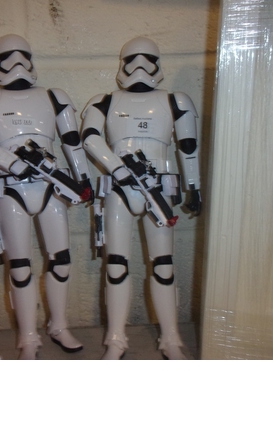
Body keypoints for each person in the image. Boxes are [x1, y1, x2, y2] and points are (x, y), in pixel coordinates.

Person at [0, 34, 92, 359]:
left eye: (22, 55)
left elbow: (72, 141)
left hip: (50, 187)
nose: (16, 62)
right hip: (11, 189)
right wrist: (13, 163)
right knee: (19, 266)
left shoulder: (53, 96)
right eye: (7, 56)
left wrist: (83, 179)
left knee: (61, 260)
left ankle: (59, 325)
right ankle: (28, 336)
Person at [81, 36, 201, 360]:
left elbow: (188, 147)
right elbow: (90, 138)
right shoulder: (104, 101)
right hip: (120, 188)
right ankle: (115, 338)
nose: (139, 66)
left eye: (147, 59)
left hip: (158, 188)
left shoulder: (175, 101)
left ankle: (171, 338)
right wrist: (118, 169)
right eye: (132, 59)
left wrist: (194, 186)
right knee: (116, 264)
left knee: (163, 265)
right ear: (122, 64)